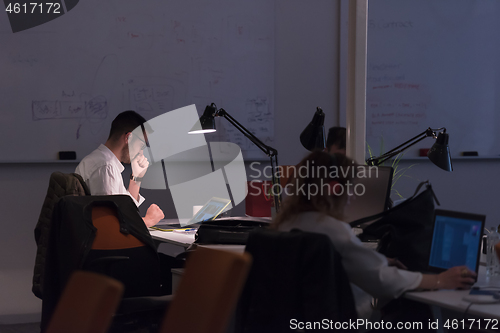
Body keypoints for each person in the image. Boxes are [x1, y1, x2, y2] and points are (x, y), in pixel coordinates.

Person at [271, 151, 476, 321]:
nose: (351, 195)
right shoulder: (333, 230)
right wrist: (439, 280)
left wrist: (377, 260)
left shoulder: (286, 224)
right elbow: (382, 280)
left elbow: (322, 265)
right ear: (335, 188)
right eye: (350, 187)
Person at [75, 110, 164, 227]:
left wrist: (137, 177)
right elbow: (111, 224)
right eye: (142, 145)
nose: (142, 151)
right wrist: (149, 220)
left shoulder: (103, 162)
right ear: (129, 138)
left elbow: (125, 211)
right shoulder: (105, 167)